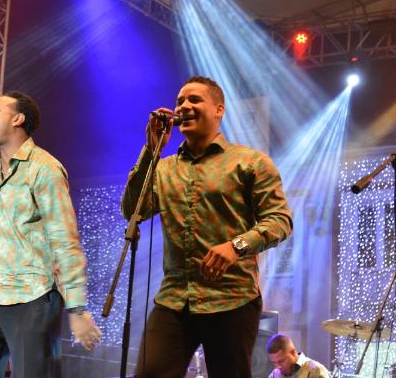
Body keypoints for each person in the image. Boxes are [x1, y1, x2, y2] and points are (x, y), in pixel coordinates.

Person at [122, 76, 293, 378]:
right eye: (180, 102)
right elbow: (132, 211)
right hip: (175, 299)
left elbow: (280, 220)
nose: (184, 106)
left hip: (232, 299)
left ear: (218, 110)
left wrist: (236, 246)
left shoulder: (250, 162)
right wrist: (151, 150)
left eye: (194, 100)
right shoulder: (163, 168)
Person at [0, 91, 101, 378]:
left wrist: (77, 309)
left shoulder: (44, 169)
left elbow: (64, 241)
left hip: (33, 297)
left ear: (18, 119)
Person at [266, 334, 331, 378]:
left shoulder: (316, 371)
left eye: (281, 361)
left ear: (293, 353)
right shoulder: (275, 374)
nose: (278, 367)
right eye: (274, 362)